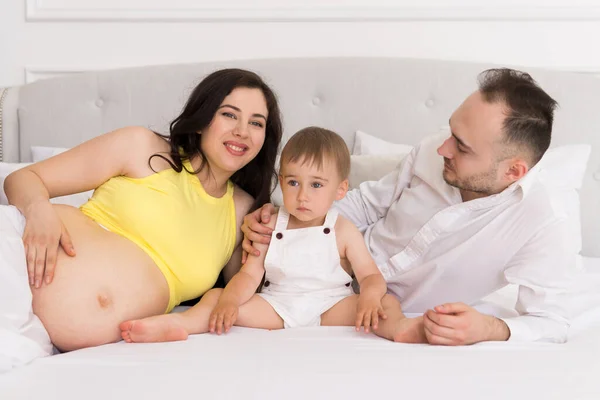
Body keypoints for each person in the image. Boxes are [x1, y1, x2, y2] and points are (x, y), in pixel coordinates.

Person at [242, 68, 578, 345]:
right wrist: (285, 218)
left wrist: (490, 328)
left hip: (387, 313)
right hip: (313, 278)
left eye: (462, 147)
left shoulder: (546, 220)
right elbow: (364, 206)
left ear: (513, 171)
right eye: (451, 131)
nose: (444, 147)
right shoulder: (434, 150)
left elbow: (553, 320)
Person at [2, 68, 283, 354]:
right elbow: (22, 179)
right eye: (229, 114)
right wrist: (39, 211)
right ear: (201, 119)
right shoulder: (142, 148)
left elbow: (239, 295)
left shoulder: (244, 212)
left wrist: (266, 237)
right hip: (15, 264)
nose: (242, 131)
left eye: (256, 123)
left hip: (37, 341)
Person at [119, 127, 422, 343]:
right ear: (280, 182)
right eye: (293, 183)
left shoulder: (342, 228)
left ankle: (400, 329)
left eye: (316, 185)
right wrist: (231, 302)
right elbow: (249, 275)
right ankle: (180, 324)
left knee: (387, 304)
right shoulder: (271, 224)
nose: (303, 196)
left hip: (331, 306)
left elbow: (370, 276)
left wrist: (369, 297)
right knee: (217, 297)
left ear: (340, 189)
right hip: (277, 306)